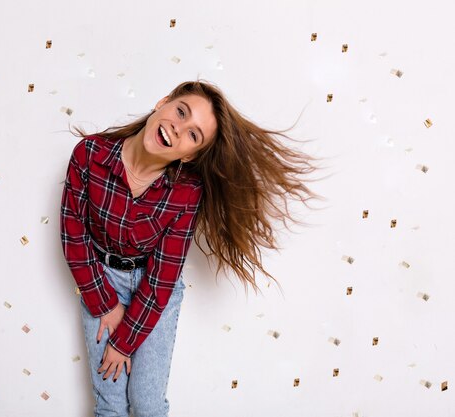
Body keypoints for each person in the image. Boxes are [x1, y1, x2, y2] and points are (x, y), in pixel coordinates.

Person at [60, 79, 325, 417]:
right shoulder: (89, 154)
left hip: (155, 293)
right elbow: (73, 234)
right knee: (109, 404)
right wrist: (105, 305)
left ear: (190, 154)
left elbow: (162, 278)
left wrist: (124, 342)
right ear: (163, 102)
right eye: (180, 112)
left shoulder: (186, 192)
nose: (178, 127)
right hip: (99, 279)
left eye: (193, 134)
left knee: (147, 404)